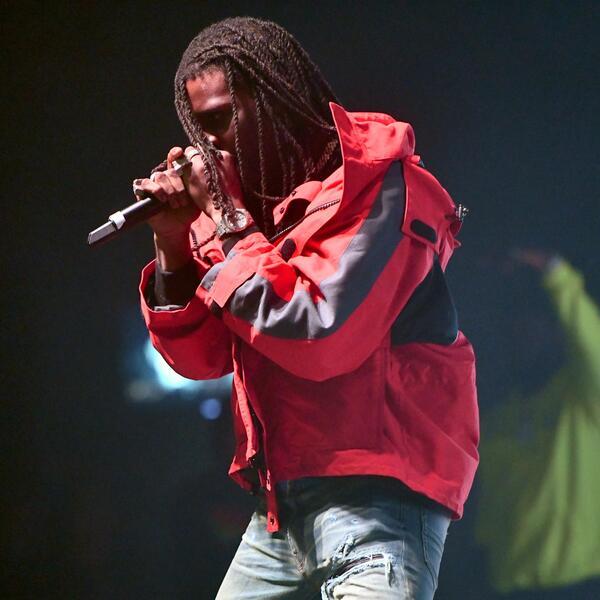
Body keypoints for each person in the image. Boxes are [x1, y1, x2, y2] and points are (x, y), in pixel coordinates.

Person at [134, 17, 479, 599]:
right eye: (198, 126)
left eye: (221, 118)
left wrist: (227, 219)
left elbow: (319, 332)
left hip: (379, 502)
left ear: (274, 96)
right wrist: (172, 241)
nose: (209, 144)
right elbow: (202, 358)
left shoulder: (379, 187)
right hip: (282, 510)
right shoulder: (249, 219)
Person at [476, 250, 600, 594]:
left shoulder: (583, 400)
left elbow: (593, 347)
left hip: (578, 584)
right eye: (517, 329)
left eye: (534, 326)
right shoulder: (496, 419)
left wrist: (554, 271)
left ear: (557, 332)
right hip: (510, 587)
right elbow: (490, 514)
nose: (524, 338)